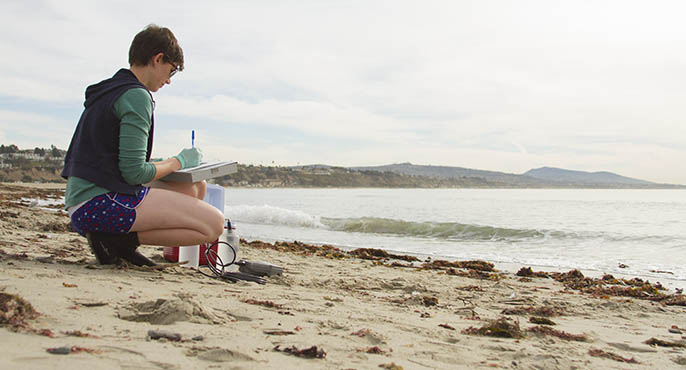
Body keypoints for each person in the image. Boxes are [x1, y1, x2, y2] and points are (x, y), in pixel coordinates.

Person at [61, 25, 224, 267]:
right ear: (158, 59)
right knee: (213, 225)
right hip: (97, 205)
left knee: (195, 188)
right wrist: (179, 161)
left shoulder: (110, 89)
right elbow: (134, 173)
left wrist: (169, 164)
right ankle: (117, 240)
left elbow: (117, 163)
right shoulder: (136, 96)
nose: (168, 80)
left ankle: (114, 239)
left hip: (83, 201)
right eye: (171, 71)